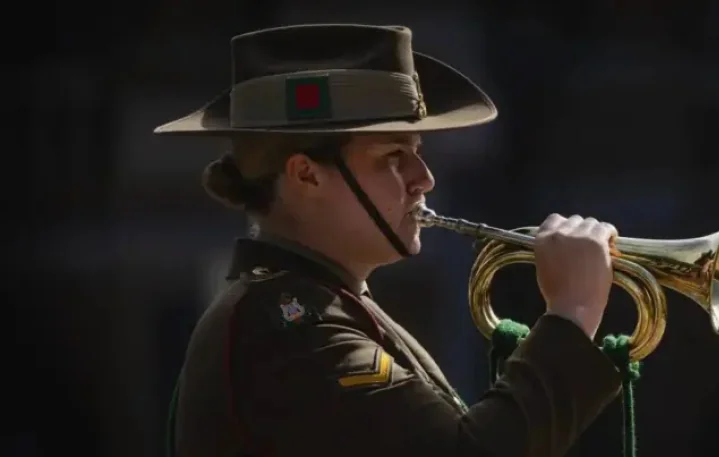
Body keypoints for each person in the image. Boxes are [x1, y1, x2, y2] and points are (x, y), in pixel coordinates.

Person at [155, 23, 624, 457]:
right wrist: (572, 313)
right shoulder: (293, 333)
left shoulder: (314, 304)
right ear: (306, 175)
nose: (425, 179)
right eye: (393, 157)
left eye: (416, 153)